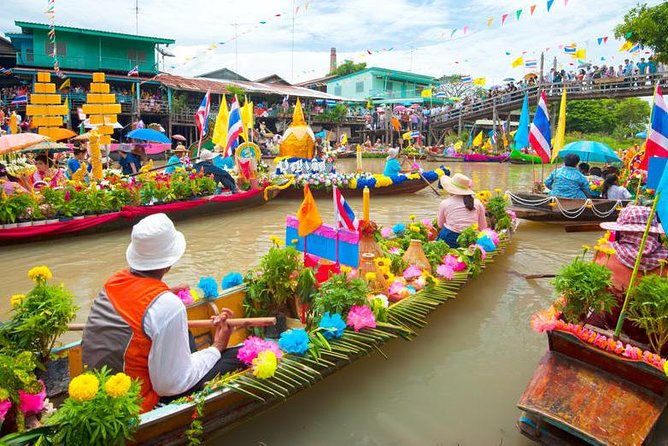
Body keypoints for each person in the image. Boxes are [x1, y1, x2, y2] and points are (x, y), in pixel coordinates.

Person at [82, 213, 243, 413]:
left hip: (100, 385)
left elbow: (138, 304)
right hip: (138, 403)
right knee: (241, 355)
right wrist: (216, 347)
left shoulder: (114, 281)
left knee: (183, 331)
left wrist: (165, 295)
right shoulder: (167, 305)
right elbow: (169, 385)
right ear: (169, 262)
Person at [592, 206, 667, 344]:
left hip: (612, 322)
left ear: (621, 232)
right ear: (655, 234)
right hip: (654, 337)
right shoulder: (665, 263)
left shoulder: (604, 252)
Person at [436, 173, 487, 248]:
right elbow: (483, 227)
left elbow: (440, 225)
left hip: (449, 239)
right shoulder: (477, 203)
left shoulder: (445, 203)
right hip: (470, 240)